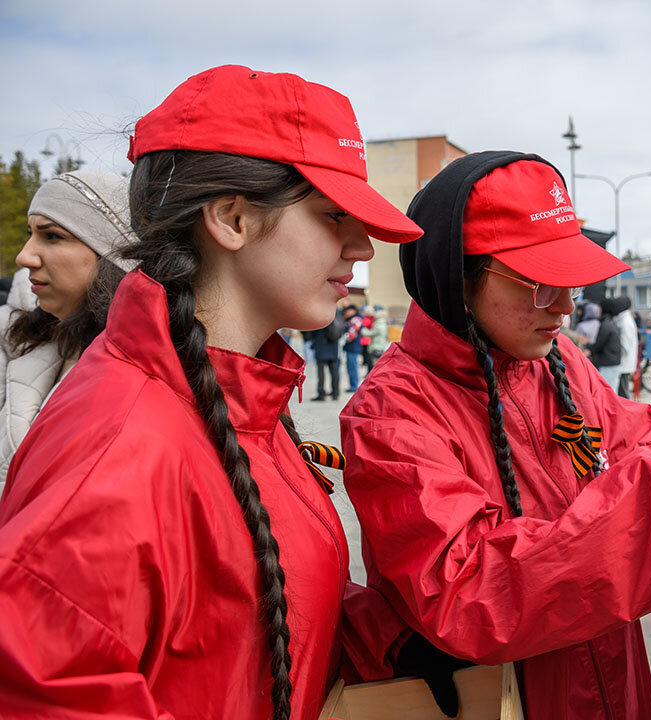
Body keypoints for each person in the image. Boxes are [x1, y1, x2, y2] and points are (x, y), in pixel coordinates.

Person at [0, 65, 453, 719]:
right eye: (333, 215)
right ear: (232, 219)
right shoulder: (120, 443)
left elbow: (240, 605)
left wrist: (384, 637)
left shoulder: (243, 401)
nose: (362, 248)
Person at [340, 151, 651, 719]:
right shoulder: (393, 413)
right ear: (456, 277)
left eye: (572, 284)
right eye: (540, 285)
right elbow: (474, 594)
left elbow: (645, 464)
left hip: (616, 679)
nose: (564, 307)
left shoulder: (555, 359)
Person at [0, 170, 137, 486]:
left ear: (111, 257)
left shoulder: (139, 374)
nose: (24, 256)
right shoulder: (26, 339)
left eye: (52, 236)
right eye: (30, 233)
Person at [589, 297, 623, 391]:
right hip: (612, 362)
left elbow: (600, 343)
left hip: (608, 363)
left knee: (607, 392)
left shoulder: (606, 324)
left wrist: (589, 350)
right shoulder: (611, 322)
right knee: (611, 391)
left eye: (599, 308)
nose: (598, 310)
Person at [312, 309, 344, 401]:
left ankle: (321, 393)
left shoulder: (321, 313)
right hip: (333, 347)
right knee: (334, 371)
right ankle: (335, 393)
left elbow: (314, 331)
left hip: (322, 346)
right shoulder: (337, 313)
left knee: (321, 371)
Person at [612, 295, 638, 398]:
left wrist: (615, 356)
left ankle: (627, 413)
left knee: (623, 393)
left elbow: (625, 345)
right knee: (623, 391)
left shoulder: (625, 322)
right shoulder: (623, 319)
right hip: (625, 363)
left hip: (624, 363)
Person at [342, 304, 364, 392]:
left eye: (348, 311)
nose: (347, 313)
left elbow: (351, 335)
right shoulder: (349, 320)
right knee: (350, 367)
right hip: (350, 347)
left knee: (353, 367)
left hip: (353, 347)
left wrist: (342, 338)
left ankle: (354, 386)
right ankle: (352, 385)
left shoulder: (356, 320)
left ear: (353, 311)